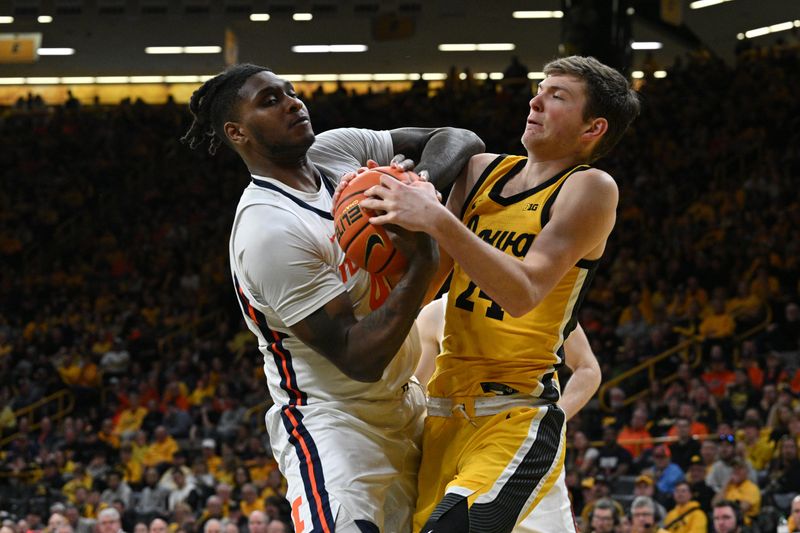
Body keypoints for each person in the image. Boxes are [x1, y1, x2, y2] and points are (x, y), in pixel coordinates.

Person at [181, 63, 484, 533]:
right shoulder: (268, 229)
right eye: (270, 101)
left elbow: (458, 138)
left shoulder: (338, 149)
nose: (292, 103)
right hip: (333, 424)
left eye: (290, 91)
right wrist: (422, 262)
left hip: (408, 404)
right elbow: (357, 357)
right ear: (237, 133)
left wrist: (412, 188)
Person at [360, 55, 639, 532]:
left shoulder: (589, 188)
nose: (535, 100)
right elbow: (427, 285)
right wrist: (383, 227)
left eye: (558, 96)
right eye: (540, 88)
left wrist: (436, 218)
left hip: (516, 414)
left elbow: (524, 291)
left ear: (593, 128)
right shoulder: (478, 174)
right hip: (442, 412)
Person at [414, 293, 601, 532]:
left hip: (520, 442)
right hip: (454, 444)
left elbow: (588, 369)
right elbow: (417, 395)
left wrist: (545, 422)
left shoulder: (536, 298)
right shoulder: (436, 312)